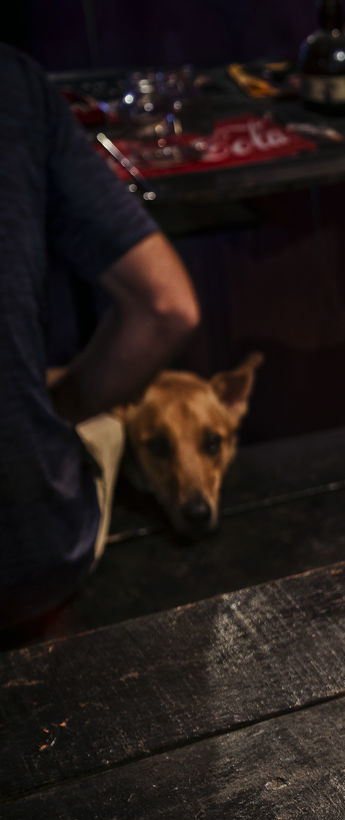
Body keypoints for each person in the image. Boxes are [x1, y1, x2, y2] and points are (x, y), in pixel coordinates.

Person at [0, 42, 200, 632]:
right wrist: (50, 414)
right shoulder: (14, 84)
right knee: (105, 426)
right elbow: (167, 308)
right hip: (27, 560)